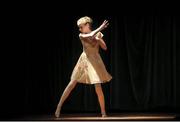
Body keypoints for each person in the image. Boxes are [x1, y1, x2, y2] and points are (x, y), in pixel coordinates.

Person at [55, 16, 112, 118]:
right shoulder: (81, 35)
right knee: (71, 83)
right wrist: (101, 27)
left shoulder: (98, 34)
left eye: (81, 26)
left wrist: (98, 39)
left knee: (98, 87)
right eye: (79, 27)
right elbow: (90, 34)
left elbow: (105, 47)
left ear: (87, 25)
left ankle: (103, 112)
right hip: (85, 61)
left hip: (95, 61)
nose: (79, 29)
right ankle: (59, 106)